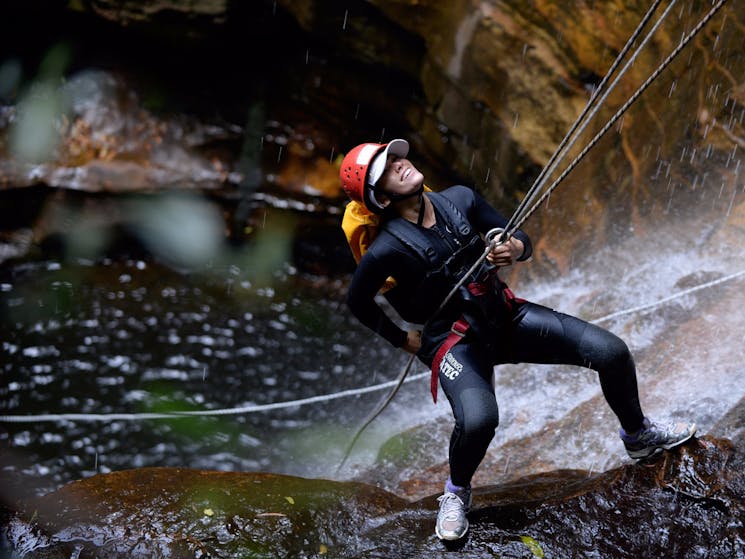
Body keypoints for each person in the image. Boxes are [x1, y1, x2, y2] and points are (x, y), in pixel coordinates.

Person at [338, 139, 696, 541]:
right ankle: (455, 493)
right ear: (380, 197)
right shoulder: (386, 249)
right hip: (455, 343)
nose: (401, 164)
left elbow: (516, 234)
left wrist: (513, 248)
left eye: (398, 157)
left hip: (505, 317)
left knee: (610, 352)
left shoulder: (460, 199)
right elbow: (357, 301)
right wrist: (403, 339)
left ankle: (638, 436)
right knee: (480, 420)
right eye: (387, 169)